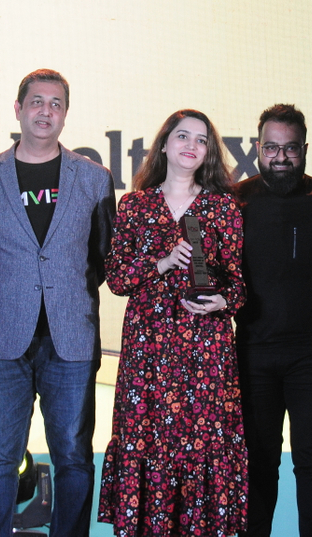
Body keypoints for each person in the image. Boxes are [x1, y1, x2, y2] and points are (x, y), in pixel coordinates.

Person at [0, 68, 115, 537]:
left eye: (56, 104)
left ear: (66, 114)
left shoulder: (94, 178)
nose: (46, 111)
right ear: (18, 109)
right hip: (0, 343)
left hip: (71, 340)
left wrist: (63, 295)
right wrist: (8, 298)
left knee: (74, 458)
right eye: (37, 102)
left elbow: (104, 257)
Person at [98, 109, 248, 536]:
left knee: (202, 445)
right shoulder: (135, 205)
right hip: (148, 351)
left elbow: (239, 285)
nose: (191, 145)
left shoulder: (223, 208)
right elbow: (117, 279)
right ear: (164, 144)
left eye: (201, 140)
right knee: (147, 441)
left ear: (208, 152)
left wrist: (222, 300)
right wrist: (161, 262)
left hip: (205, 350)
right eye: (182, 136)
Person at [232, 104, 312, 537]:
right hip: (252, 353)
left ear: (305, 148)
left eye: (290, 148)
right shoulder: (233, 201)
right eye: (271, 148)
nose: (280, 157)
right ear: (257, 148)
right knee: (257, 461)